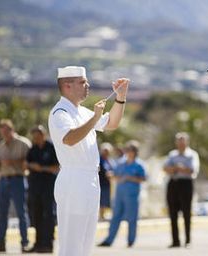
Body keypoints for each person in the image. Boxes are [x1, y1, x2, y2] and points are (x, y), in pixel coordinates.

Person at [48, 66, 129, 256]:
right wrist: (95, 118)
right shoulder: (60, 112)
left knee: (85, 244)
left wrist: (120, 97)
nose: (88, 85)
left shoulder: (82, 112)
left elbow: (112, 123)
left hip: (90, 180)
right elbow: (69, 139)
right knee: (72, 243)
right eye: (82, 82)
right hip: (73, 179)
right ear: (67, 86)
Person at [98, 140, 146, 247]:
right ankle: (109, 240)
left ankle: (130, 241)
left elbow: (143, 178)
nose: (127, 152)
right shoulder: (120, 163)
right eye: (127, 149)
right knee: (115, 217)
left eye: (130, 150)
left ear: (135, 152)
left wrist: (131, 178)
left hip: (132, 195)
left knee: (132, 218)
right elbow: (114, 174)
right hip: (119, 195)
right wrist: (112, 176)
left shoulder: (139, 165)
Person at [0, 119, 31, 253]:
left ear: (12, 129)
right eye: (2, 131)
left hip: (18, 180)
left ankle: (24, 242)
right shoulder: (0, 146)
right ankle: (0, 242)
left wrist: (12, 161)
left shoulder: (23, 143)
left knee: (21, 212)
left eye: (7, 130)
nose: (4, 133)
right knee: (2, 213)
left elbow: (29, 162)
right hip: (3, 180)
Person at [25, 125, 59, 253]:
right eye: (34, 137)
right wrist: (30, 165)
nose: (36, 139)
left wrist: (42, 168)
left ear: (43, 135)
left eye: (38, 136)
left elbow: (57, 167)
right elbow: (26, 163)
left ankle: (48, 243)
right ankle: (38, 243)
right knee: (36, 214)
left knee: (49, 215)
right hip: (35, 186)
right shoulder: (33, 149)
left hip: (48, 186)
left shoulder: (51, 148)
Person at [163, 132, 200, 248]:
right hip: (173, 184)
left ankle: (188, 240)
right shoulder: (172, 154)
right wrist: (178, 168)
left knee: (186, 213)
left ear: (186, 142)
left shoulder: (192, 154)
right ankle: (175, 241)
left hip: (186, 185)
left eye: (182, 141)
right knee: (172, 214)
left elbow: (191, 170)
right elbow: (165, 168)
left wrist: (177, 168)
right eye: (179, 141)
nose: (180, 144)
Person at [99, 142, 114, 221]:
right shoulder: (99, 159)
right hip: (100, 182)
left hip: (107, 183)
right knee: (101, 199)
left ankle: (103, 215)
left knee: (105, 199)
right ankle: (100, 215)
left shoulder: (109, 160)